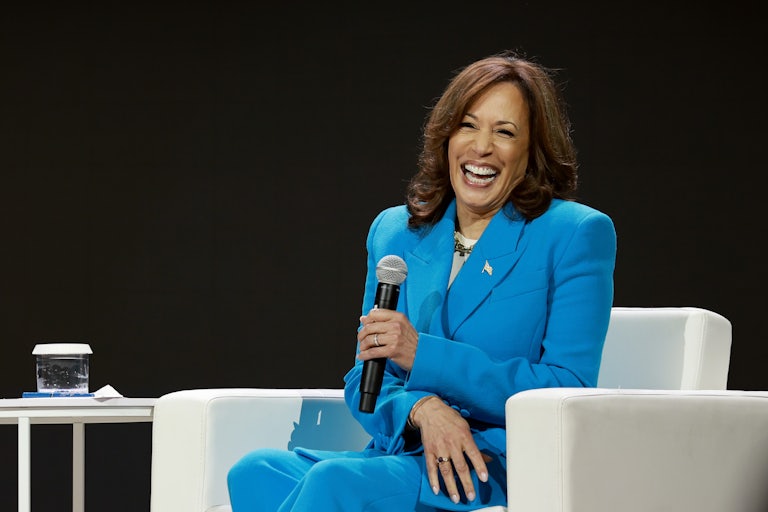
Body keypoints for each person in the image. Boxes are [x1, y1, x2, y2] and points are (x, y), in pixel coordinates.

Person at [227, 49, 617, 511]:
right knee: (254, 471)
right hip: (404, 451)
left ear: (533, 151)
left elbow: (566, 388)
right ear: (446, 136)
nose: (481, 148)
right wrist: (421, 409)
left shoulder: (572, 233)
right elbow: (366, 377)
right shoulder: (396, 231)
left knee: (335, 483)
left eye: (505, 132)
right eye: (468, 125)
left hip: (489, 462)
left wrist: (424, 355)